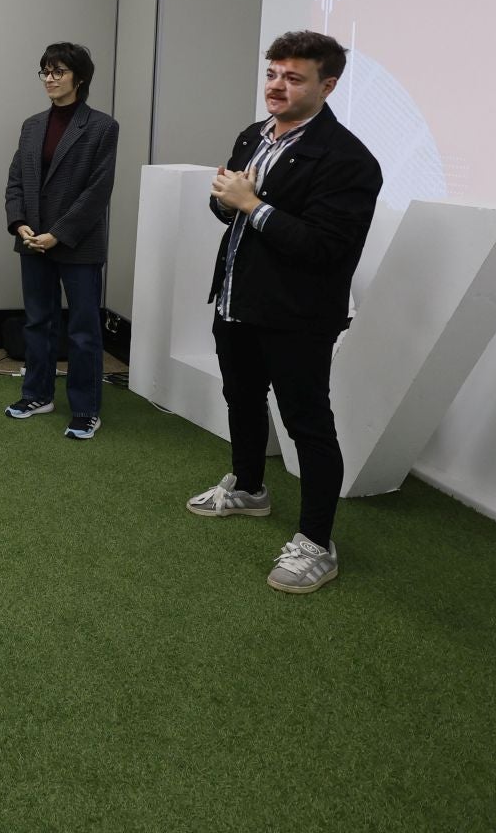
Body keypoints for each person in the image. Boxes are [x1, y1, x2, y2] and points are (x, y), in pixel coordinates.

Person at [188, 30, 382, 595]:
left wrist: (252, 204)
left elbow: (324, 248)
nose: (276, 86)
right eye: (273, 73)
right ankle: (249, 487)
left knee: (307, 424)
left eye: (293, 78)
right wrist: (230, 201)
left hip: (297, 316)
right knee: (241, 398)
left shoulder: (349, 160)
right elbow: (224, 202)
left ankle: (317, 544)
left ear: (328, 85)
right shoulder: (254, 135)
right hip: (235, 301)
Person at [2, 42, 120, 440]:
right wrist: (20, 224)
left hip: (77, 243)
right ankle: (37, 393)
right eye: (45, 72)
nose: (49, 79)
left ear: (79, 78)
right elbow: (17, 179)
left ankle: (86, 408)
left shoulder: (102, 127)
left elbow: (96, 192)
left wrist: (59, 234)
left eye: (58, 72)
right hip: (33, 239)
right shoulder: (32, 125)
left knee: (84, 329)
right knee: (38, 321)